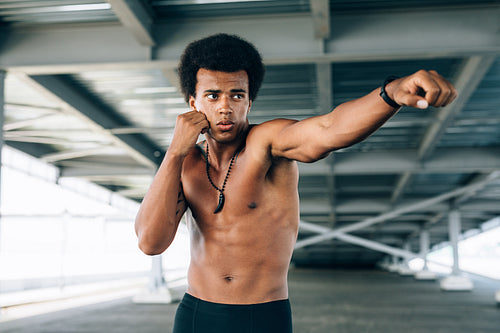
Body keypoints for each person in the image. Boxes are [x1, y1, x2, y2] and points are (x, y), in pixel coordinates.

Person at [134, 33, 457, 333]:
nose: (224, 106)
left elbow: (329, 129)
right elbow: (151, 243)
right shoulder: (184, 162)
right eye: (213, 95)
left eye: (237, 95)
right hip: (196, 313)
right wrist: (175, 152)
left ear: (249, 103)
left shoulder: (267, 143)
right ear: (194, 103)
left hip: (261, 315)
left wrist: (392, 93)